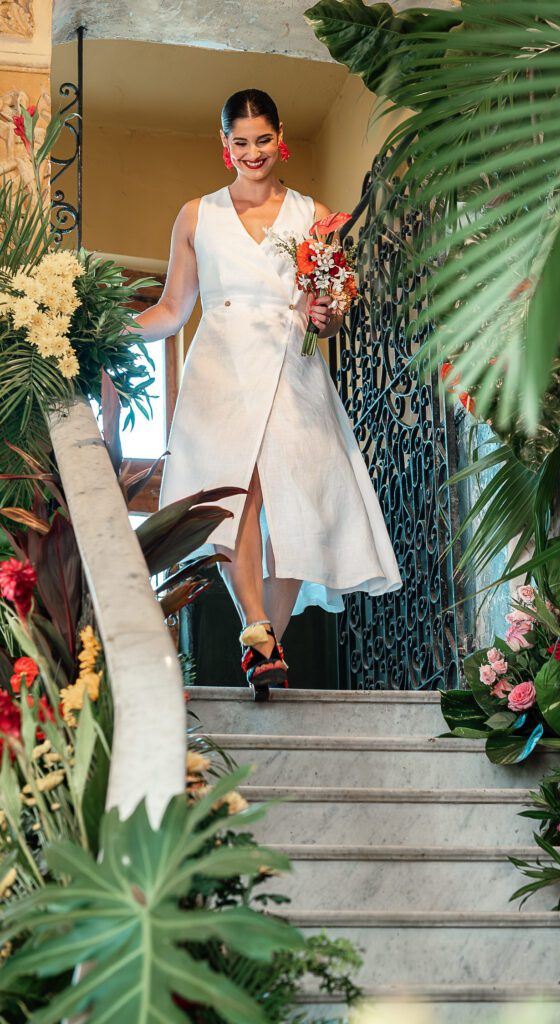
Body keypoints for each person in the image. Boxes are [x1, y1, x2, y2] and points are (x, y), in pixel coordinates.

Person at [129, 88, 402, 700]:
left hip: (292, 365)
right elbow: (172, 311)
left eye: (263, 139)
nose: (253, 152)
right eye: (240, 141)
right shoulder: (196, 216)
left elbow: (328, 314)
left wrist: (327, 316)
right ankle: (256, 624)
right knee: (238, 492)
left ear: (280, 138)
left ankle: (265, 643)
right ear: (224, 147)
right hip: (222, 368)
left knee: (302, 506)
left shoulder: (314, 215)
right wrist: (102, 327)